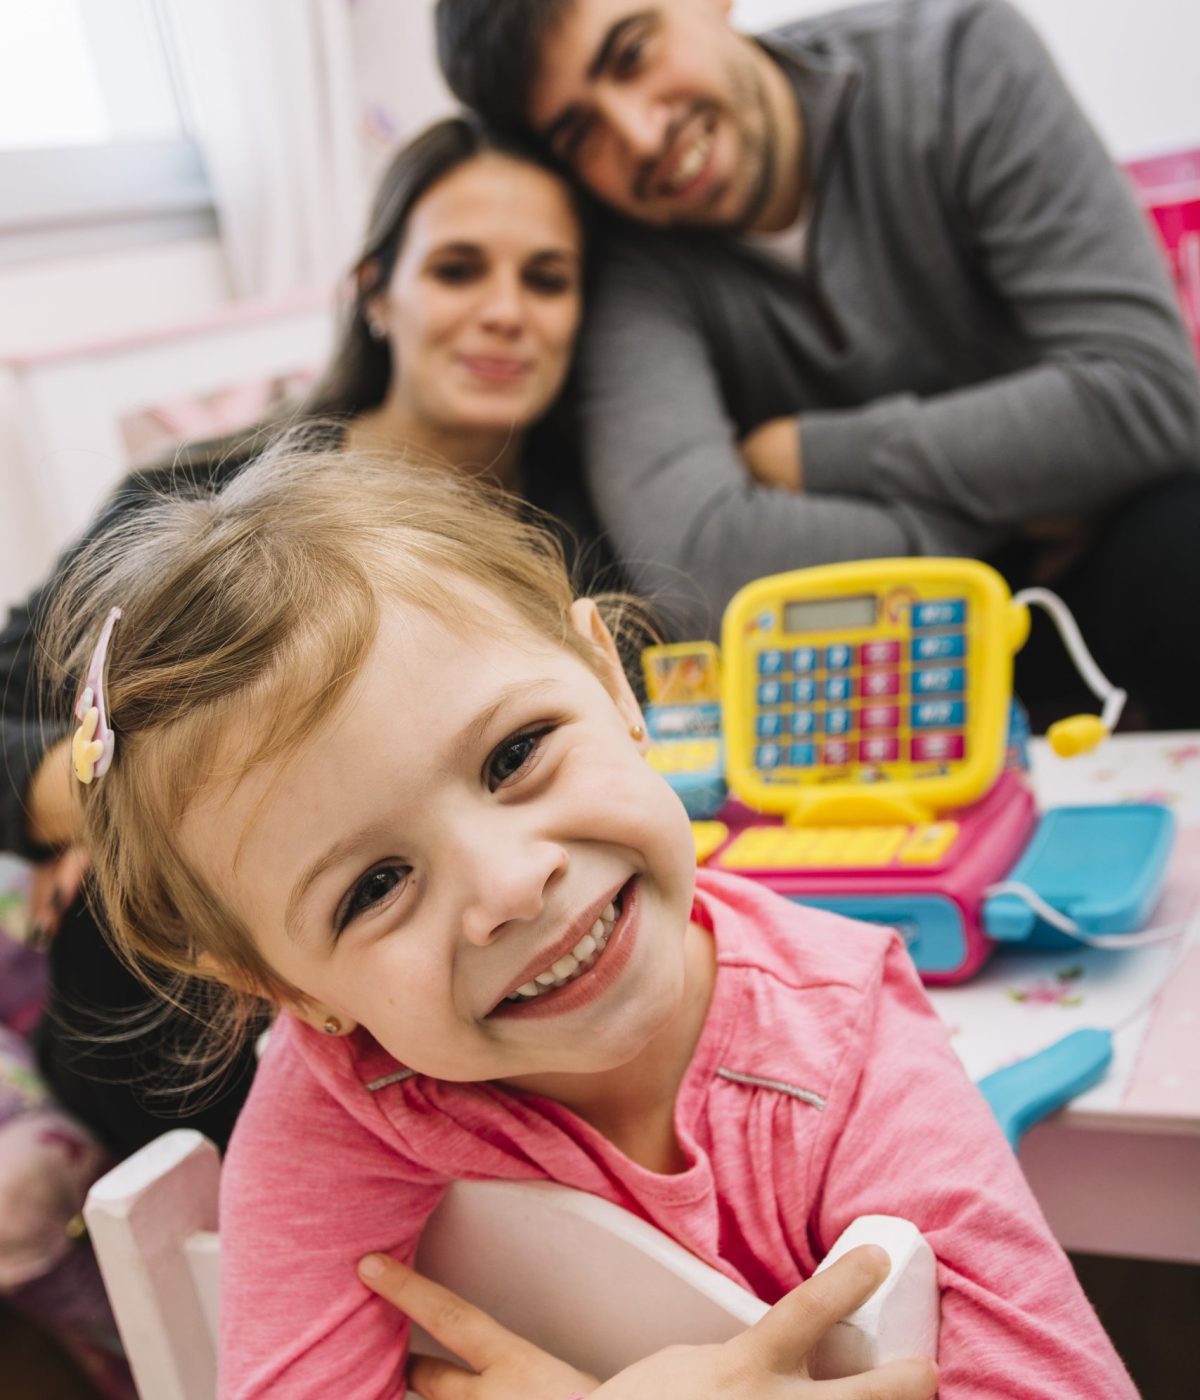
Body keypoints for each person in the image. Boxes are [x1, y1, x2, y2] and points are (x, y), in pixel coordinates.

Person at [45, 443, 1135, 1396]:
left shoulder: (839, 1035)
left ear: (614, 678)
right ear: (287, 988)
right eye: (374, 886)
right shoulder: (339, 1102)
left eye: (515, 753)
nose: (513, 886)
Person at [0, 114, 598, 1160]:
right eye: (459, 269)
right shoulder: (197, 512)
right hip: (184, 1058)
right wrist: (109, 805)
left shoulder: (588, 534)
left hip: (525, 1036)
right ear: (376, 291)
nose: (506, 312)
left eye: (546, 279)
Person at [434, 0, 1200, 726]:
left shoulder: (954, 57)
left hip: (1091, 584)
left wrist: (808, 454)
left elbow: (1154, 393)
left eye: (632, 54)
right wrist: (1027, 497)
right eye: (578, 133)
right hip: (870, 663)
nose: (637, 136)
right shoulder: (624, 255)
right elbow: (703, 573)